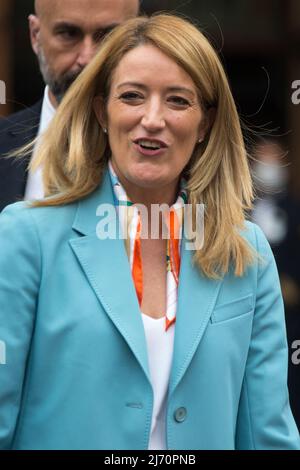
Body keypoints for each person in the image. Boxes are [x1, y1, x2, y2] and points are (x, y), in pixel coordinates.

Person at [0, 14, 299, 450]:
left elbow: (268, 434)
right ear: (102, 111)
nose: (152, 119)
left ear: (205, 124)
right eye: (132, 96)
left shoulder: (246, 252)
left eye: (178, 100)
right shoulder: (26, 237)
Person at [0, 0, 139, 211]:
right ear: (35, 35)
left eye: (107, 36)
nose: (88, 58)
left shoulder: (174, 160)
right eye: (68, 34)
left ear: (137, 38)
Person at [251, 138, 300, 430]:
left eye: (273, 158)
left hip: (290, 313)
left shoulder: (294, 208)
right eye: (262, 158)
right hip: (252, 308)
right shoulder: (240, 209)